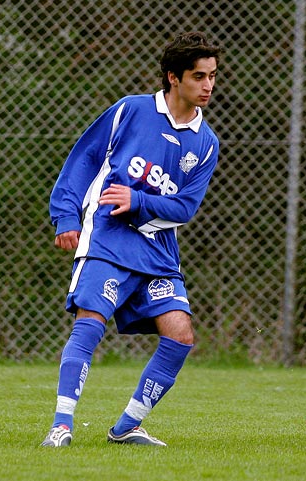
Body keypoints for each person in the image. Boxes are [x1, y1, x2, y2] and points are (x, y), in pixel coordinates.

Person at [41, 31, 221, 447]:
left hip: (158, 253)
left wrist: (138, 199)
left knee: (180, 335)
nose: (208, 85)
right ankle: (61, 425)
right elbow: (83, 158)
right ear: (173, 77)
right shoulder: (131, 111)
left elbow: (185, 209)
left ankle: (126, 427)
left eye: (212, 76)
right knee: (90, 321)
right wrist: (66, 215)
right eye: (198, 76)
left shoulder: (206, 143)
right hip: (108, 240)